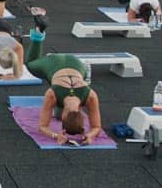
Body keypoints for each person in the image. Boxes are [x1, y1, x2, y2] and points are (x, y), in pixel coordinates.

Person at [22, 11, 104, 144]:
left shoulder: (90, 96)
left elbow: (96, 127)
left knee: (57, 113)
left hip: (76, 64)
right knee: (30, 64)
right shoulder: (52, 95)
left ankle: (39, 31)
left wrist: (90, 135)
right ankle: (38, 32)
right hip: (55, 63)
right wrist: (56, 135)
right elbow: (42, 127)